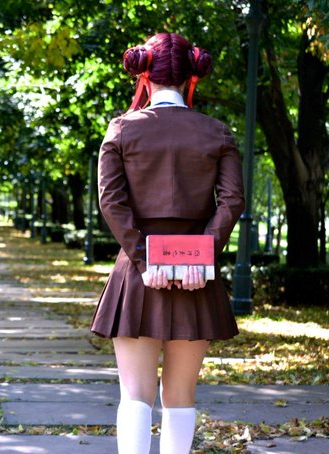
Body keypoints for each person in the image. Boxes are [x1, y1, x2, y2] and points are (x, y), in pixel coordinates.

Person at [90, 32, 245, 454]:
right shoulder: (217, 132)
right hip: (198, 275)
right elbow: (232, 201)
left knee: (135, 395)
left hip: (137, 273)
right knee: (180, 396)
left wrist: (145, 259)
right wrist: (200, 255)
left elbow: (111, 201)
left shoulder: (122, 128)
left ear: (144, 72)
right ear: (191, 74)